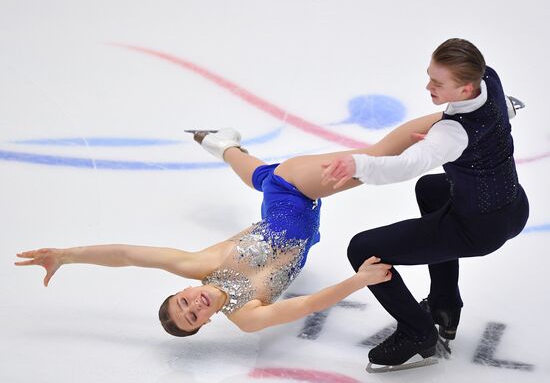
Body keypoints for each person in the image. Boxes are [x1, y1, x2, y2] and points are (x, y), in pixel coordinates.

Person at [14, 113, 443, 338]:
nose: (193, 305)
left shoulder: (200, 265)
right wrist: (360, 280)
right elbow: (307, 306)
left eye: (182, 303)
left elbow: (127, 255)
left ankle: (465, 114)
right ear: (204, 324)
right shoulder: (247, 316)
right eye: (192, 317)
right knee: (262, 177)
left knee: (379, 157)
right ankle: (222, 144)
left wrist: (66, 255)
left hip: (295, 188)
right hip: (289, 205)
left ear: (181, 290)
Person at [321, 38, 529, 372]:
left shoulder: (452, 133)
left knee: (362, 249)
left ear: (464, 89)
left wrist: (357, 165)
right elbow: (501, 113)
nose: (427, 86)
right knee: (431, 190)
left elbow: (406, 166)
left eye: (437, 83)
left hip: (477, 229)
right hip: (514, 206)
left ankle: (418, 334)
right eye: (429, 75)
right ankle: (444, 306)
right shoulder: (489, 78)